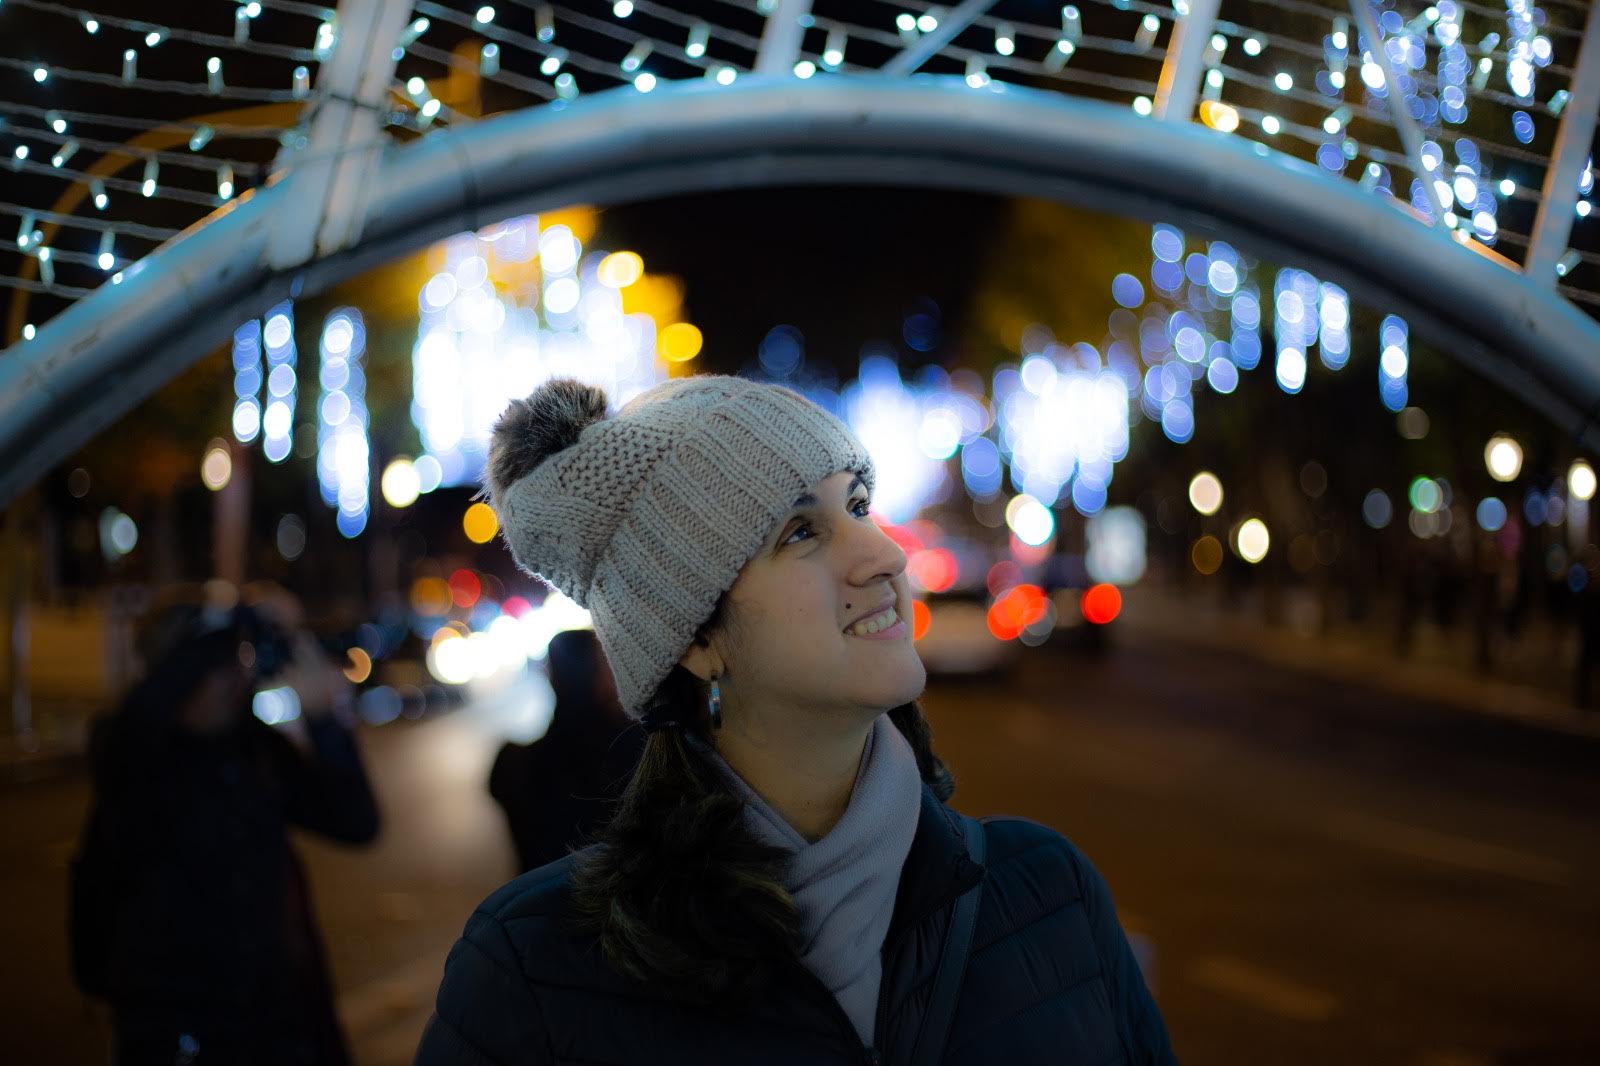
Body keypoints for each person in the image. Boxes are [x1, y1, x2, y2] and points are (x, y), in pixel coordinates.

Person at [415, 375, 1177, 1065]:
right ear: (698, 642)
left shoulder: (1050, 894)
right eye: (801, 533)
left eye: (856, 506)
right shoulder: (530, 976)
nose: (884, 555)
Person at [69, 587, 381, 1066]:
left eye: (240, 660)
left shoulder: (253, 749)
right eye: (220, 666)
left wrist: (323, 722)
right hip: (185, 1038)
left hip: (282, 1029)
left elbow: (356, 823)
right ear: (180, 678)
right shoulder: (139, 761)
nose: (240, 678)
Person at [487, 626, 644, 873]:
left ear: (553, 677)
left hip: (542, 906)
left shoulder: (515, 765)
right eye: (610, 666)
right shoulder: (636, 753)